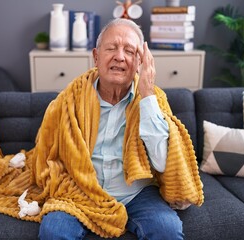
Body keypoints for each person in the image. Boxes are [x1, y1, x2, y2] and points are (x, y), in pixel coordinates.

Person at [38, 18, 184, 240]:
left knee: (168, 230)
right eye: (112, 48)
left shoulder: (154, 100)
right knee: (53, 231)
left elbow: (163, 162)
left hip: (137, 193)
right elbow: (48, 154)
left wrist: (147, 97)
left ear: (140, 62)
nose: (120, 56)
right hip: (80, 192)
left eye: (130, 51)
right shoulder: (70, 99)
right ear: (96, 57)